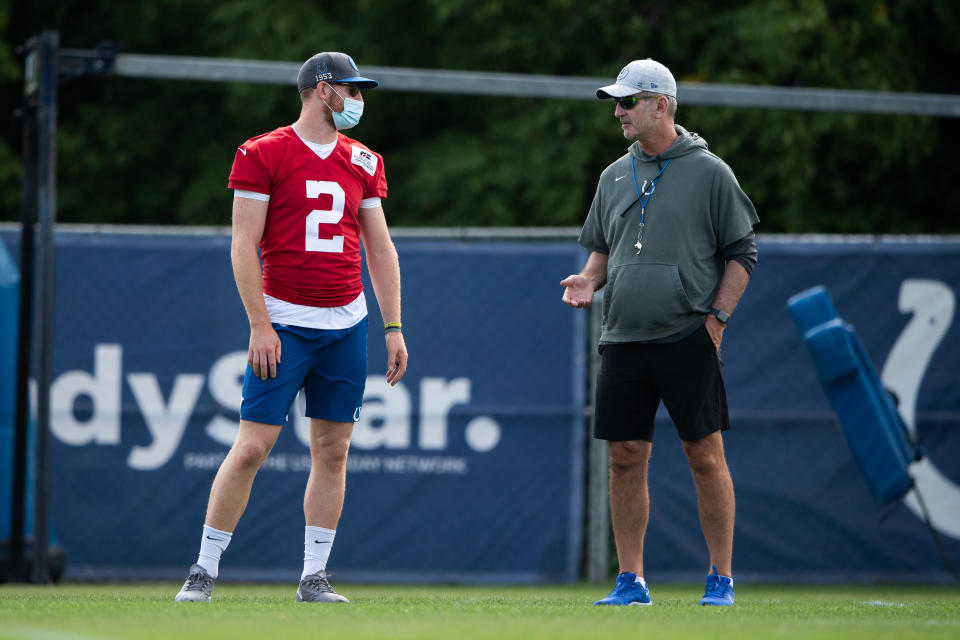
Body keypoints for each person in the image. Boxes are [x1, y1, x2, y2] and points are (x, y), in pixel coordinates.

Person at [175, 52, 408, 604]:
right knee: (253, 446)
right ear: (321, 90)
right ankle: (203, 570)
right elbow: (242, 243)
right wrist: (259, 323)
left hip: (346, 323)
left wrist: (393, 326)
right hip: (284, 322)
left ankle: (314, 577)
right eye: (350, 90)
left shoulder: (363, 160)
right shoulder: (264, 152)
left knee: (333, 451)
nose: (357, 101)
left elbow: (380, 248)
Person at [561, 59, 758, 607]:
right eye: (617, 102)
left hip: (686, 335)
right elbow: (603, 246)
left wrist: (716, 321)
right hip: (623, 336)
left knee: (704, 454)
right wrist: (588, 279)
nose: (618, 111)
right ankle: (631, 581)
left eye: (628, 102)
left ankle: (720, 579)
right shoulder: (613, 175)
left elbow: (742, 253)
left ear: (662, 105)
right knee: (624, 454)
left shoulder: (711, 172)